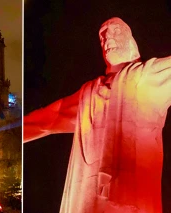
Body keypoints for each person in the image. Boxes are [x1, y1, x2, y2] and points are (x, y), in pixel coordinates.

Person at [24, 17, 171, 213]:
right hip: (87, 198)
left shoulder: (147, 76)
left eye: (116, 31)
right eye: (102, 36)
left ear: (130, 40)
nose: (107, 37)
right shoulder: (90, 93)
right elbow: (51, 117)